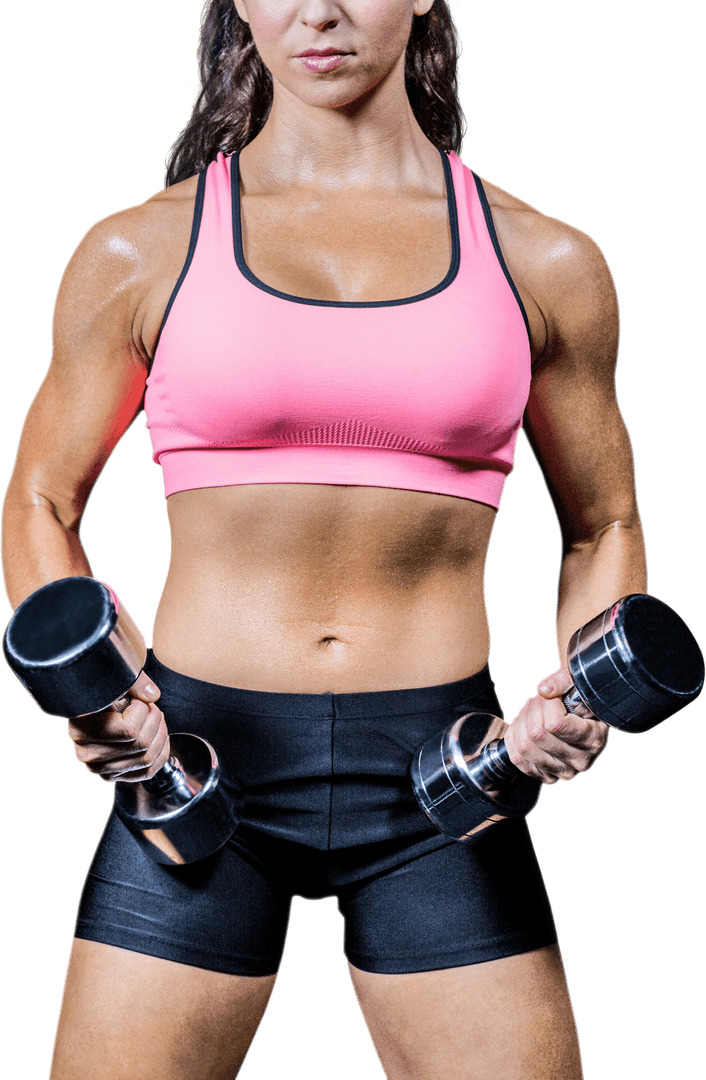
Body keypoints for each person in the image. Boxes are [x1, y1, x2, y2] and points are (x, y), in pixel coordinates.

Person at [1, 1, 651, 1077]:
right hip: (196, 753)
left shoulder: (544, 259)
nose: (321, 10)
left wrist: (578, 699)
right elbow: (39, 500)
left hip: (444, 780)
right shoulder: (141, 247)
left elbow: (605, 525)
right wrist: (98, 701)